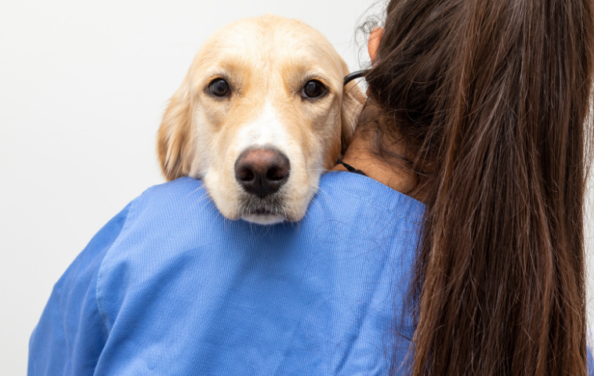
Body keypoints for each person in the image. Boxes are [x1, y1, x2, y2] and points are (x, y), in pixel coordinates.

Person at [29, 0, 594, 375]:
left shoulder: (141, 243)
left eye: (312, 91)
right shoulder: (555, 334)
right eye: (222, 88)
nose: (262, 157)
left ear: (377, 58)